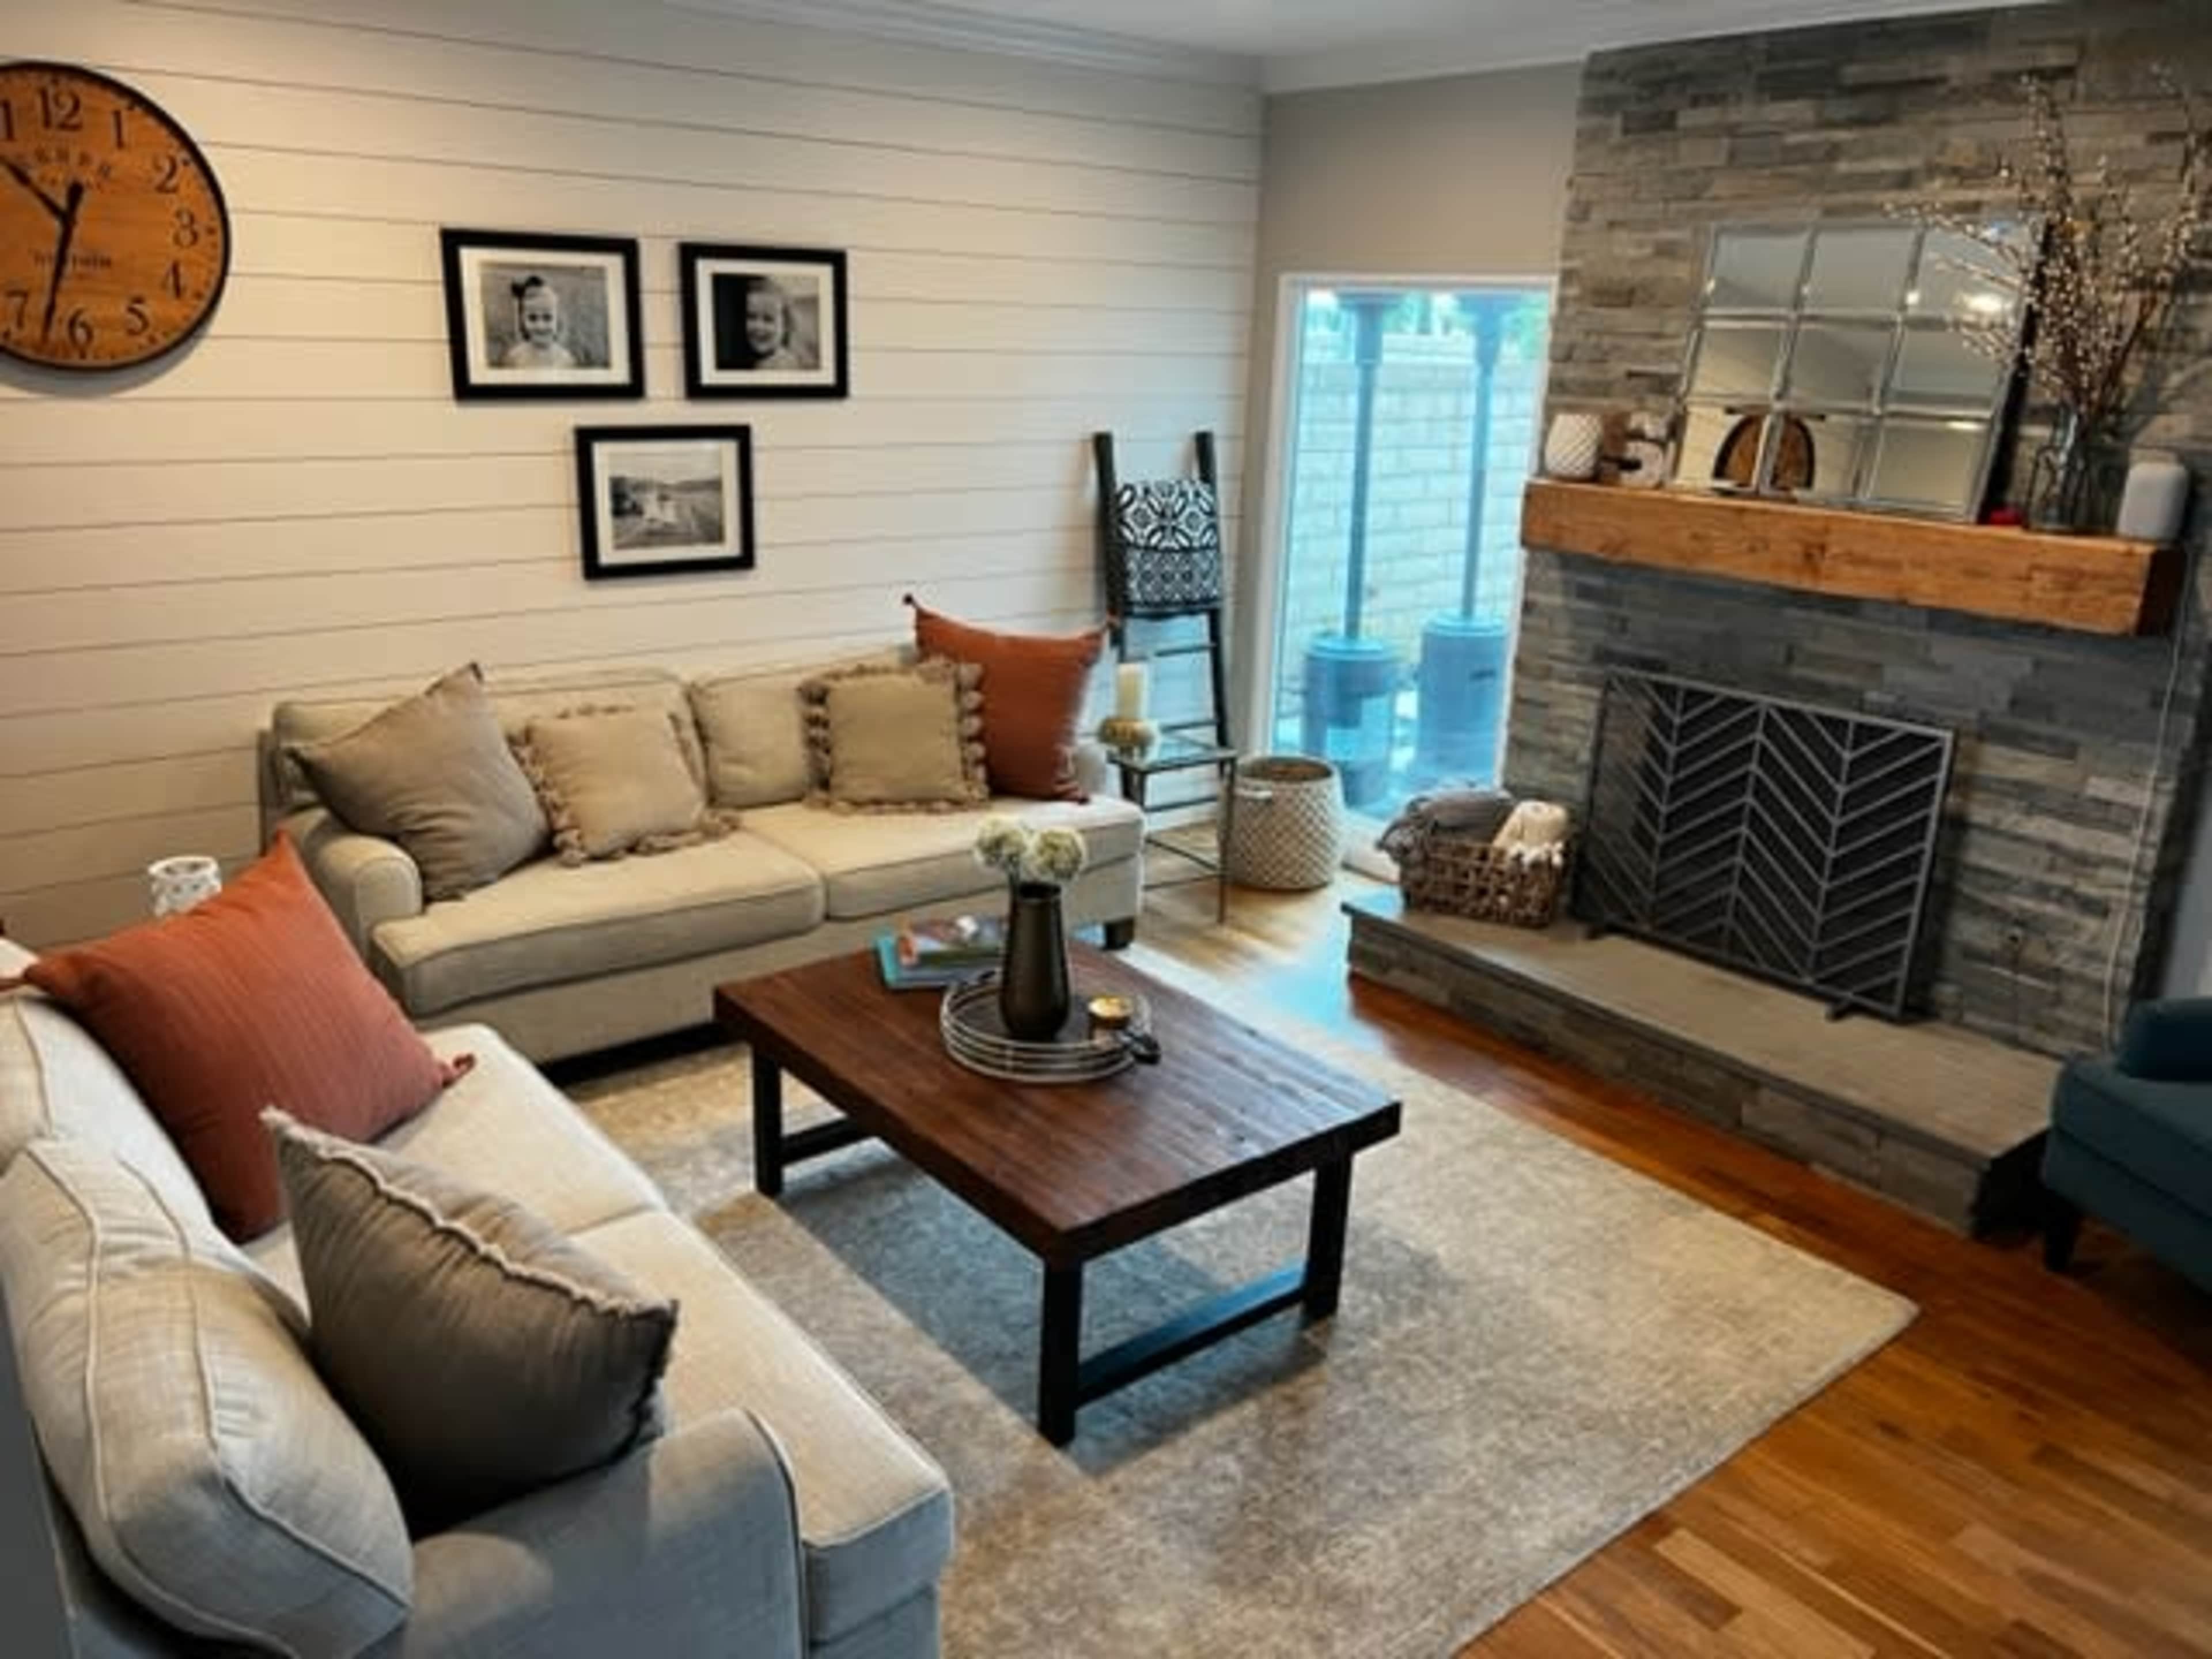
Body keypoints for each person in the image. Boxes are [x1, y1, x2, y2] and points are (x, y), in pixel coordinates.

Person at [501, 275, 576, 369]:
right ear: (523, 321)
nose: (540, 326)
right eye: (532, 318)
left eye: (547, 318)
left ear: (558, 320)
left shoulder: (566, 360)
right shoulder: (514, 358)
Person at [743, 278, 804, 370]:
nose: (758, 326)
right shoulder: (753, 358)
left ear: (787, 325)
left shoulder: (784, 366)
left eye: (768, 319)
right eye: (751, 317)